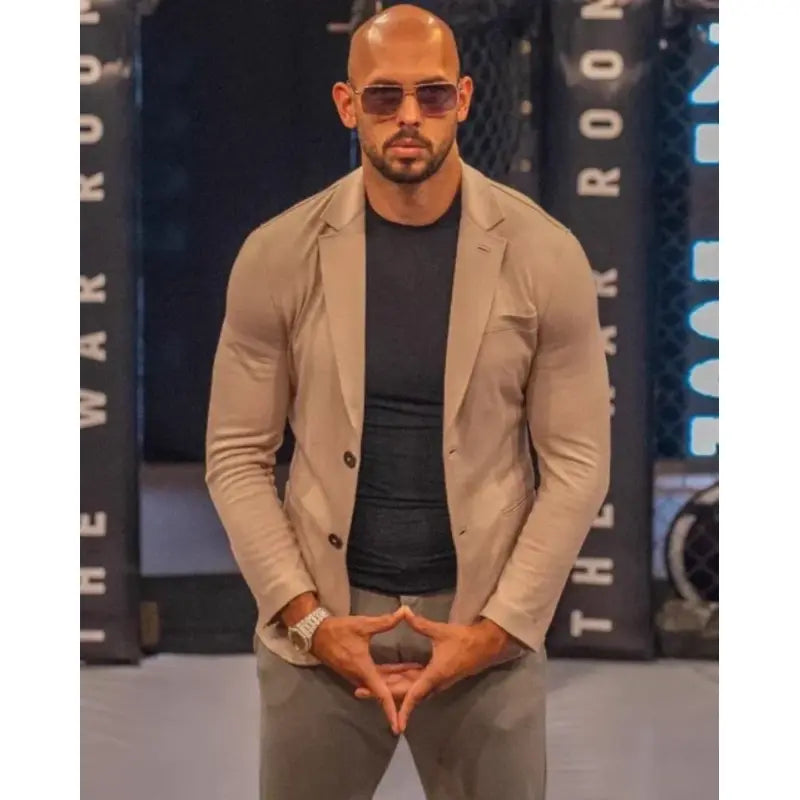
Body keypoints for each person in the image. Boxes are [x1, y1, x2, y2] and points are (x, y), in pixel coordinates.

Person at [205, 4, 610, 799]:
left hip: (483, 634)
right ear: (347, 105)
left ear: (463, 99)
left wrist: (498, 629)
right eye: (385, 97)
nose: (411, 117)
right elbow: (235, 456)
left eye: (432, 94)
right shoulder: (278, 255)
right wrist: (309, 621)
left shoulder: (545, 255)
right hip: (320, 633)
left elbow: (578, 462)